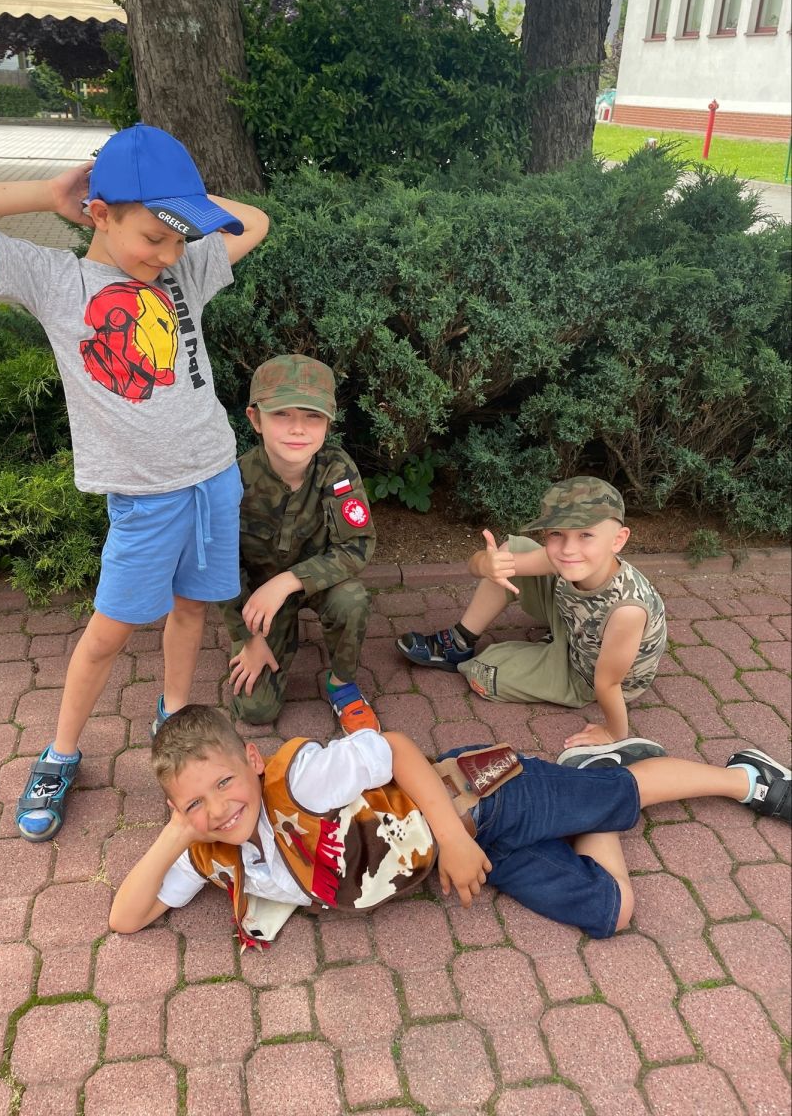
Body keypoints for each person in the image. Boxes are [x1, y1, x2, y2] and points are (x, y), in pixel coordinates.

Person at [0, 123, 270, 841]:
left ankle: (174, 715)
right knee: (107, 635)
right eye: (153, 238)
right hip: (144, 499)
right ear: (100, 214)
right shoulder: (57, 281)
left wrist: (180, 201)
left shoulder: (184, 271)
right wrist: (50, 195)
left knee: (193, 610)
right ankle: (60, 753)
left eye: (180, 239)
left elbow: (254, 221)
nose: (169, 256)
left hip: (213, 477)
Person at [108, 704, 792, 943]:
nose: (217, 809)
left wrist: (458, 841)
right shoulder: (208, 849)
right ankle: (585, 784)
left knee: (622, 795)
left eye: (224, 783)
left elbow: (397, 748)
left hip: (479, 802)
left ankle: (746, 779)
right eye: (193, 804)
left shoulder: (300, 780)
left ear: (251, 762)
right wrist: (176, 834)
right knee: (611, 914)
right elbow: (126, 919)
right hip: (469, 859)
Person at [397, 477, 667, 753]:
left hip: (588, 674)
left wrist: (613, 733)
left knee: (483, 674)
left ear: (618, 540)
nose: (568, 548)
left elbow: (608, 682)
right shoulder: (567, 557)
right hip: (578, 631)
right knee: (510, 555)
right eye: (556, 533)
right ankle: (458, 642)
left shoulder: (627, 611)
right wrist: (486, 564)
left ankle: (549, 651)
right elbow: (484, 566)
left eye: (586, 534)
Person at [219, 354, 379, 734]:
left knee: (352, 599)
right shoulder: (234, 480)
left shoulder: (337, 469)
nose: (298, 429)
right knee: (255, 710)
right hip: (259, 603)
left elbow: (357, 545)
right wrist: (248, 638)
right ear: (255, 419)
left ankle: (342, 686)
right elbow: (221, 567)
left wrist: (287, 582)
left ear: (328, 423)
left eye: (312, 416)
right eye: (281, 414)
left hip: (315, 584)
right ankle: (272, 638)